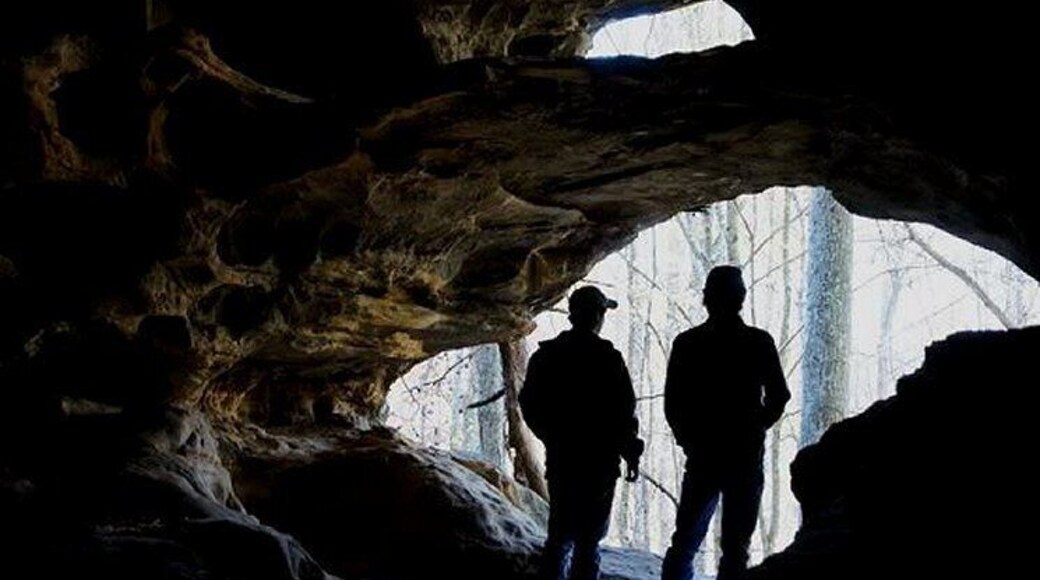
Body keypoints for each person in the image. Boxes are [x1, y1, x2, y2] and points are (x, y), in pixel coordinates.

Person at [661, 266, 790, 580]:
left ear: (706, 298)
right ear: (742, 298)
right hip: (744, 456)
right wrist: (756, 427)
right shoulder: (758, 342)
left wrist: (689, 440)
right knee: (735, 549)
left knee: (685, 541)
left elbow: (673, 403)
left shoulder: (688, 343)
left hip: (703, 454)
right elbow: (779, 396)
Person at [520, 285, 644, 580]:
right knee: (588, 544)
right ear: (598, 316)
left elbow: (530, 404)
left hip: (562, 459)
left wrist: (551, 437)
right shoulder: (608, 359)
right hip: (600, 463)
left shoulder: (547, 356)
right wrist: (630, 452)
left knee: (559, 538)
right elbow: (624, 411)